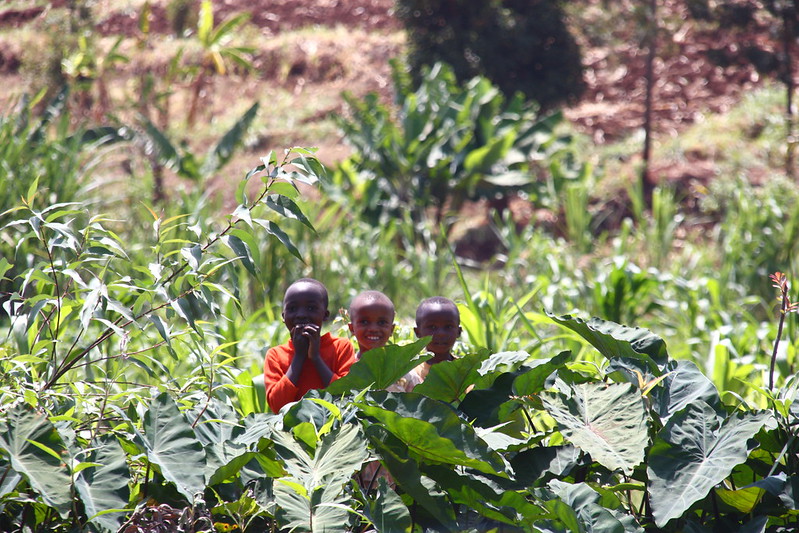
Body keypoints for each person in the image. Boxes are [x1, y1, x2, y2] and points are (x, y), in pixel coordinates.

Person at [264, 278, 355, 412]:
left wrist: (316, 358)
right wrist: (299, 356)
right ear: (283, 317)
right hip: (292, 431)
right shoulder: (275, 355)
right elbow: (278, 406)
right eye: (293, 308)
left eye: (311, 308)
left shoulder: (341, 348)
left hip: (333, 428)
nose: (301, 315)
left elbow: (345, 397)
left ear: (325, 315)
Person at [348, 290, 423, 392]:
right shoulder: (346, 369)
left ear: (391, 329)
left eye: (382, 322)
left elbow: (420, 404)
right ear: (352, 328)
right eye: (364, 322)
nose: (373, 329)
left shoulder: (404, 373)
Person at [414, 296, 462, 381]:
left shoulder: (467, 370)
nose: (441, 334)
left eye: (448, 326)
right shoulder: (411, 374)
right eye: (432, 327)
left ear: (459, 331)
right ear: (418, 332)